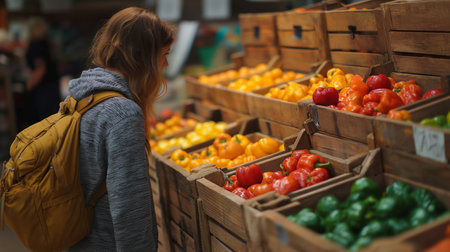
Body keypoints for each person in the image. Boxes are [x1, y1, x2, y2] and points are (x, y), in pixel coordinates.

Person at [66, 7, 175, 251]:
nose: (166, 63)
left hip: (79, 240)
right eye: (164, 54)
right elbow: (129, 206)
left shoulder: (79, 96)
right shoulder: (122, 113)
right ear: (144, 57)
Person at [24, 17, 60, 127]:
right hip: (53, 85)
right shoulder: (46, 43)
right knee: (52, 122)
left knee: (43, 124)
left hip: (43, 89)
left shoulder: (35, 45)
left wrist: (28, 86)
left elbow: (40, 69)